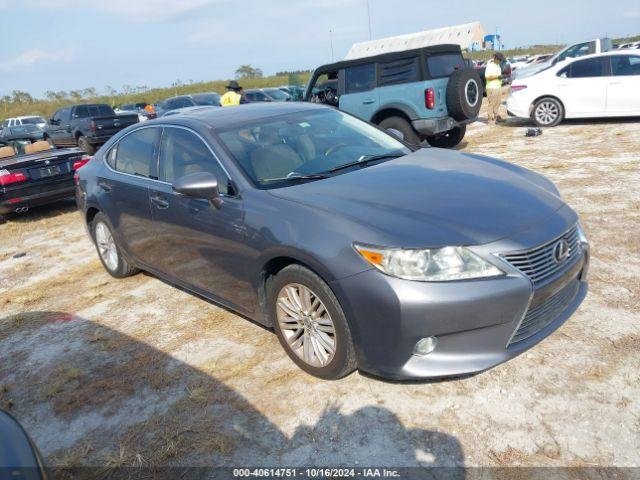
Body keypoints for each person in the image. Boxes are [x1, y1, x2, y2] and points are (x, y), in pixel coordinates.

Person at [485, 52, 505, 125]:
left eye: (501, 60)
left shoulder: (498, 65)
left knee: (497, 103)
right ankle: (490, 119)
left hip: (498, 87)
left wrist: (503, 76)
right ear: (495, 58)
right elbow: (487, 77)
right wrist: (497, 77)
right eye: (499, 60)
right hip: (491, 87)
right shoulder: (490, 65)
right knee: (492, 104)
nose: (500, 61)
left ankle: (496, 117)